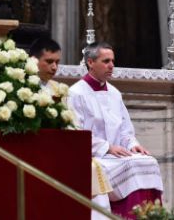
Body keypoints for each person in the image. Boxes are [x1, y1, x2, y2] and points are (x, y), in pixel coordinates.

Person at [68, 42, 163, 219]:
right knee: (130, 167)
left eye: (112, 61)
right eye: (106, 61)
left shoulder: (114, 93)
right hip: (93, 157)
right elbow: (75, 133)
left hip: (115, 156)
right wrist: (107, 147)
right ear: (90, 62)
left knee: (147, 162)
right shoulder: (76, 93)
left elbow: (125, 130)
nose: (111, 65)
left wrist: (133, 145)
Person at [29, 37, 114, 219]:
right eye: (49, 62)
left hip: (57, 148)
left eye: (57, 62)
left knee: (91, 167)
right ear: (33, 60)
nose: (54, 67)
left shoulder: (58, 89)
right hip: (34, 149)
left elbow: (71, 125)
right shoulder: (22, 86)